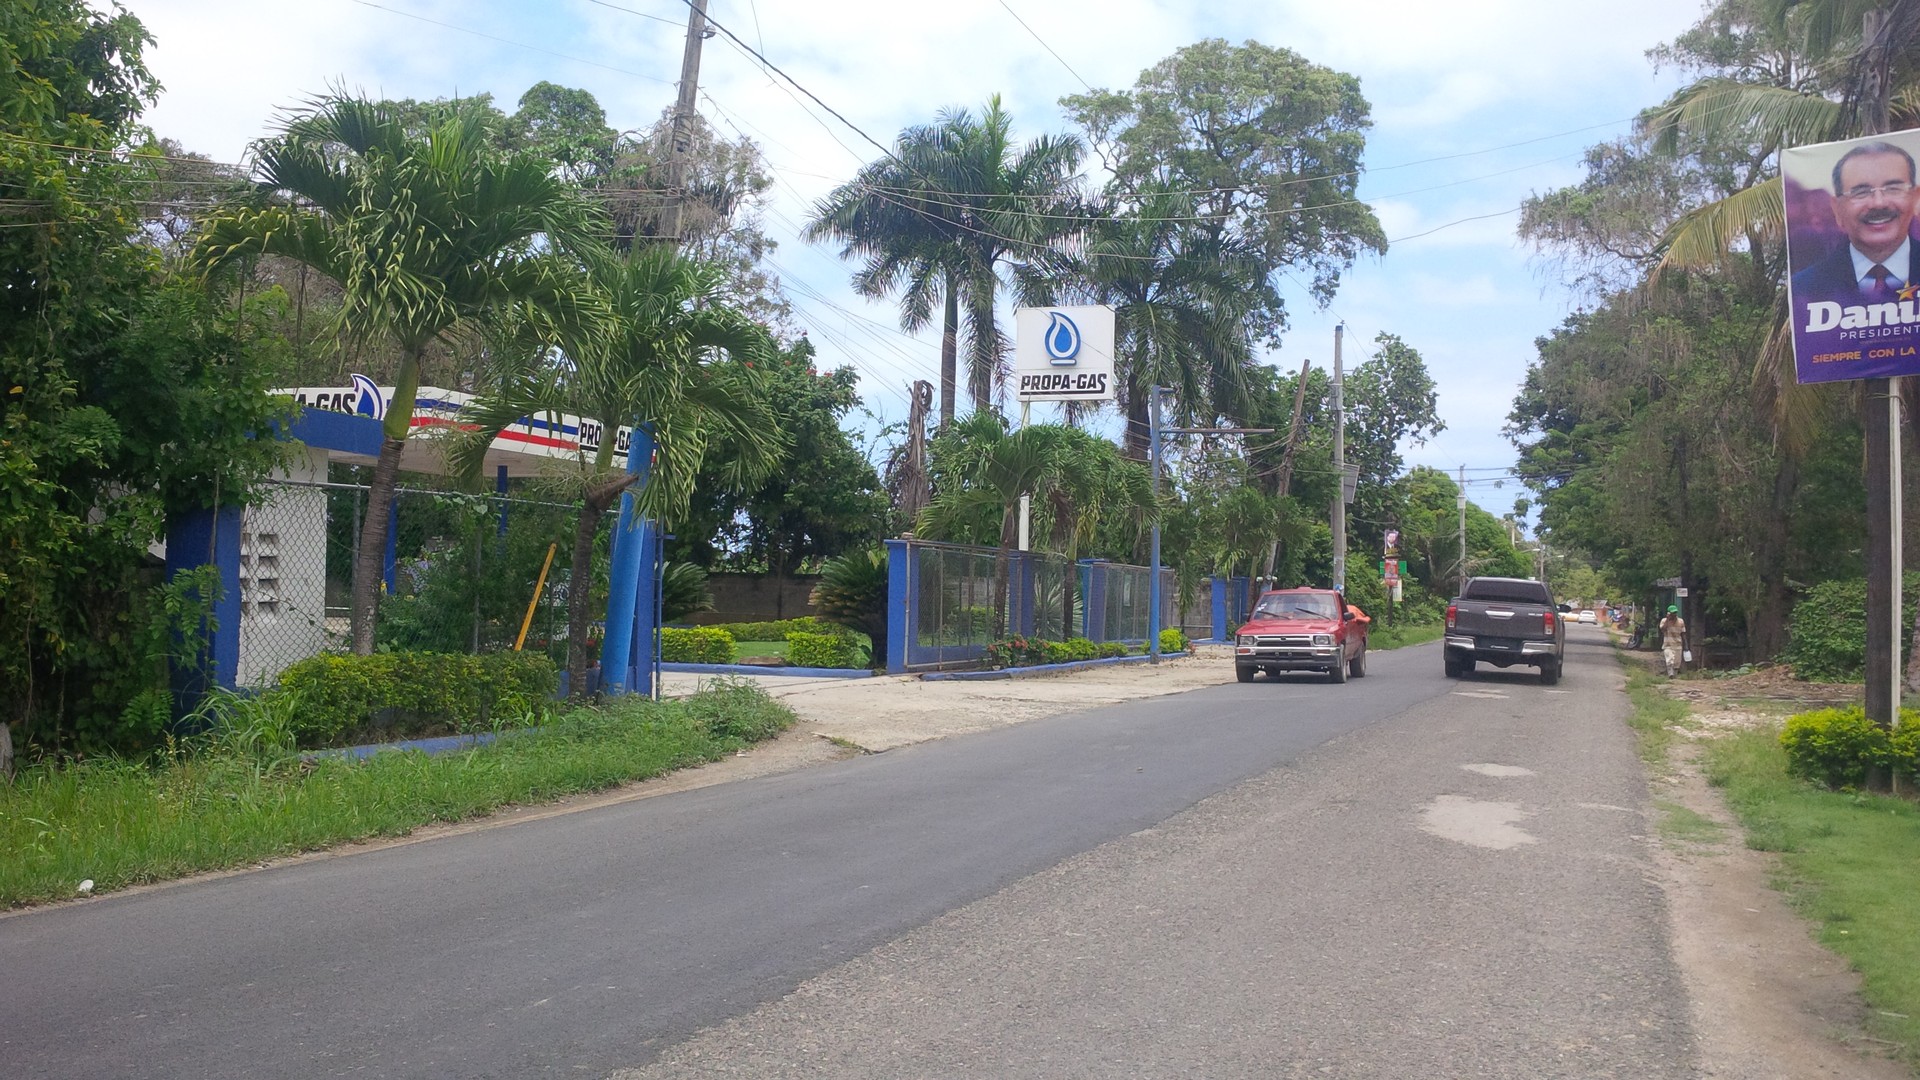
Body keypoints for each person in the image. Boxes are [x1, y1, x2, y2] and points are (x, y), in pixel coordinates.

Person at [1791, 141, 1920, 307]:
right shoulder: (1803, 290)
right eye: (1861, 192)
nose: (1878, 203)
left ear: (1915, 198)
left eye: (1893, 188)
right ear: (1837, 209)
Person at [1659, 605, 1687, 678]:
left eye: (1675, 613)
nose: (1674, 615)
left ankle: (1675, 674)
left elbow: (1683, 633)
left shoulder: (1681, 621)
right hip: (1668, 644)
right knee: (1669, 660)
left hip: (1678, 644)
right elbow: (1663, 629)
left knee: (1677, 662)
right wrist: (1668, 620)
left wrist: (1686, 645)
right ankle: (1670, 674)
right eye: (1672, 613)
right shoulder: (1664, 621)